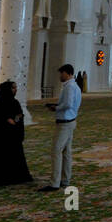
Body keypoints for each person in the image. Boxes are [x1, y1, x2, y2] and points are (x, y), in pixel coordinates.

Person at [0, 81, 32, 187]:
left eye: (15, 87)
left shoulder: (15, 102)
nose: (15, 90)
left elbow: (19, 115)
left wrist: (14, 120)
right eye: (13, 88)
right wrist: (6, 119)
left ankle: (14, 177)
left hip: (12, 135)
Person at [41, 64, 81, 192]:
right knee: (66, 152)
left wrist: (56, 108)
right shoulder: (75, 86)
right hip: (71, 121)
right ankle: (65, 179)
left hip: (65, 123)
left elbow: (68, 104)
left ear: (68, 73)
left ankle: (55, 183)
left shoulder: (69, 87)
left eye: (61, 73)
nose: (60, 76)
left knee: (56, 150)